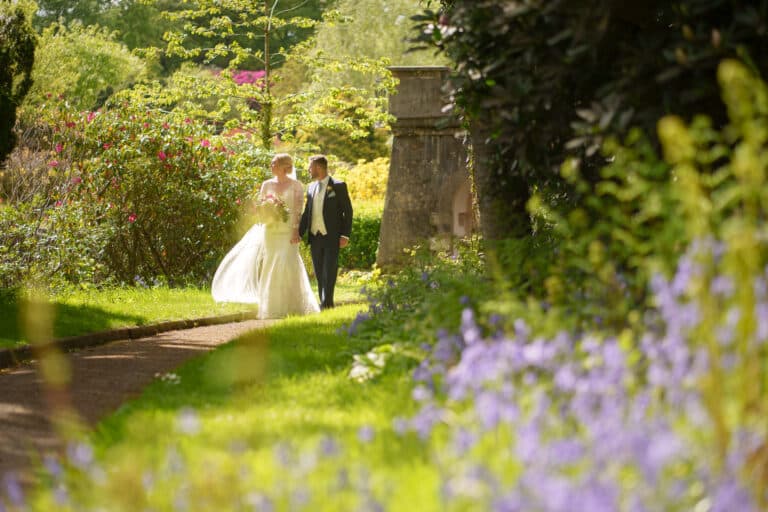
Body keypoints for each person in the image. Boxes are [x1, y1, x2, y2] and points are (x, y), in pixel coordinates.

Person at [211, 154, 320, 319]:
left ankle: (294, 305)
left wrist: (295, 230)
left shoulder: (296, 185)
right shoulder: (266, 184)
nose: (271, 165)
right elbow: (262, 206)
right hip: (271, 231)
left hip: (288, 231)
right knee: (270, 264)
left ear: (284, 166)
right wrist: (266, 212)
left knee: (287, 263)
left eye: (274, 163)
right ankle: (272, 305)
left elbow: (298, 210)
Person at [299, 155, 353, 309]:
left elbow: (347, 211)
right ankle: (325, 301)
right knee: (318, 270)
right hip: (315, 236)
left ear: (319, 167)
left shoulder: (338, 185)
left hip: (332, 236)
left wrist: (345, 234)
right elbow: (306, 213)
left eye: (310, 167)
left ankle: (326, 303)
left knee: (329, 270)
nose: (309, 170)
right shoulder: (311, 188)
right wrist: (298, 233)